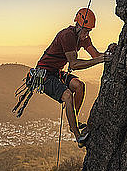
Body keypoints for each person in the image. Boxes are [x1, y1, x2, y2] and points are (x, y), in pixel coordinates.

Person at [35, 8, 116, 147]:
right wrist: (101, 60)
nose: (86, 34)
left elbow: (96, 55)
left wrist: (108, 54)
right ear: (78, 26)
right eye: (85, 30)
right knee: (67, 95)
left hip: (56, 72)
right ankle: (78, 135)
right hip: (44, 74)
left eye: (89, 31)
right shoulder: (67, 36)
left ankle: (75, 120)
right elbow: (74, 64)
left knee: (80, 86)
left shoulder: (84, 38)